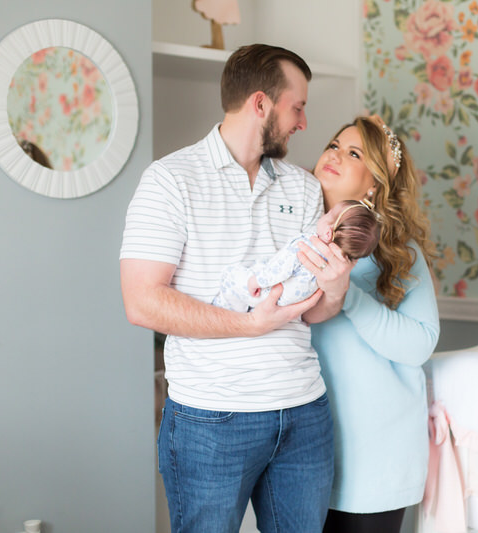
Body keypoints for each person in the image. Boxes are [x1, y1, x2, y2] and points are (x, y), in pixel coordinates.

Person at [119, 44, 354, 533]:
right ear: (261, 104)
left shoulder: (303, 187)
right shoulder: (169, 181)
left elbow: (314, 312)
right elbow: (142, 302)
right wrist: (250, 325)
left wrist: (334, 289)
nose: (305, 123)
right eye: (298, 106)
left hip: (304, 414)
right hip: (211, 420)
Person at [304, 115, 441, 533]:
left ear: (374, 184)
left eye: (354, 153)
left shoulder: (398, 255)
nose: (334, 154)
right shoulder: (295, 237)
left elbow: (420, 344)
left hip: (378, 459)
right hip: (304, 451)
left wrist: (347, 295)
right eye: (333, 143)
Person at [214, 199, 380, 310]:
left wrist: (257, 280)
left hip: (265, 293)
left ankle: (222, 305)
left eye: (328, 214)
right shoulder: (331, 268)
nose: (323, 215)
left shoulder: (307, 244)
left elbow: (280, 267)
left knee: (231, 275)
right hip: (285, 305)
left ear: (328, 233)